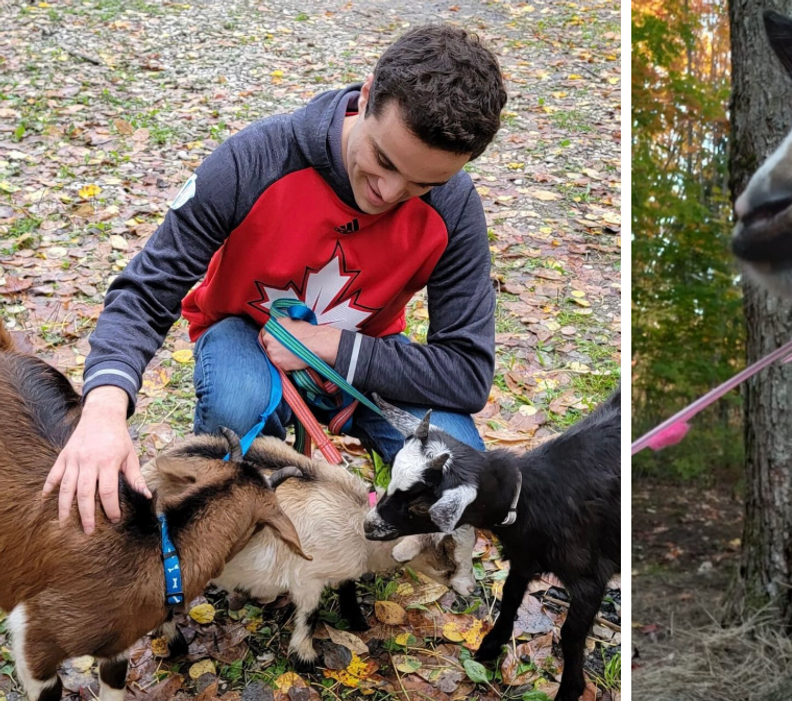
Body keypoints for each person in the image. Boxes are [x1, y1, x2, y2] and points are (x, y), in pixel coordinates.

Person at [46, 24, 508, 534]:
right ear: (369, 94)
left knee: (458, 470)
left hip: (361, 361)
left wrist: (332, 346)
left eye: (424, 184)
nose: (389, 192)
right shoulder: (255, 160)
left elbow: (467, 372)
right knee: (236, 400)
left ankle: (369, 532)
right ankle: (237, 516)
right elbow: (147, 288)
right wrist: (104, 408)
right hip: (244, 338)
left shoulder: (456, 207)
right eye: (382, 159)